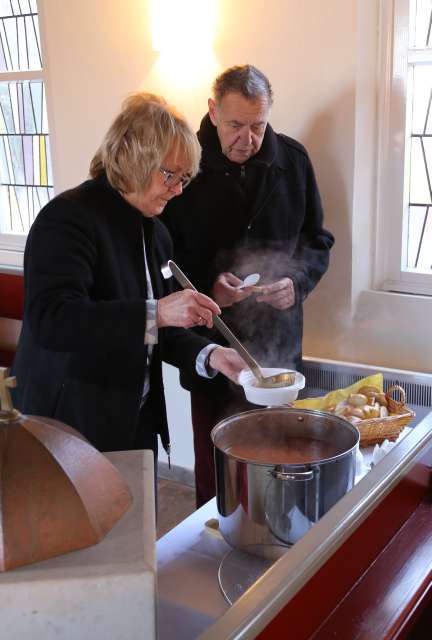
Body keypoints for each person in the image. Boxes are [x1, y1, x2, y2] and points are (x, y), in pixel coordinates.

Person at [11, 92, 246, 463]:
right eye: (170, 174)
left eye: (185, 178)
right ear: (134, 157)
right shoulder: (68, 219)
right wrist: (160, 312)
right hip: (68, 423)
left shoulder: (155, 231)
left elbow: (158, 329)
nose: (179, 189)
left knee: (136, 521)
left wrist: (211, 354)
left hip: (133, 418)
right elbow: (52, 320)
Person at [161, 65, 335, 507]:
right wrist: (209, 288)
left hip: (278, 346)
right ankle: (211, 537)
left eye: (258, 126)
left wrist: (296, 283)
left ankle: (275, 550)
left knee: (279, 459)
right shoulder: (184, 166)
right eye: (236, 125)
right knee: (215, 464)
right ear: (213, 111)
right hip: (208, 346)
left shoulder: (292, 160)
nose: (248, 139)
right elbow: (162, 261)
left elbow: (318, 241)